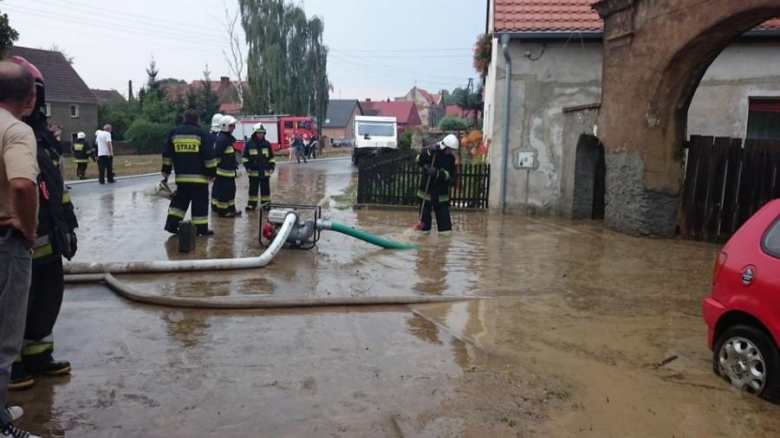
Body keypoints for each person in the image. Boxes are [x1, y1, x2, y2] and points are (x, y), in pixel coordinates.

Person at [8, 56, 79, 395]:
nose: (31, 101)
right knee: (13, 300)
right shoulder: (15, 136)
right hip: (18, 235)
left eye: (34, 92)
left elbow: (58, 188)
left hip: (48, 233)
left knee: (47, 295)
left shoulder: (43, 139)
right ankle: (11, 364)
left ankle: (38, 355)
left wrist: (69, 225)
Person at [0, 60, 42, 438]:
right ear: (30, 98)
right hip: (4, 245)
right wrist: (26, 228)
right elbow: (22, 186)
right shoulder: (16, 131)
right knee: (3, 341)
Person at [162, 110, 217, 236]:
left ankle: (172, 224)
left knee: (180, 201)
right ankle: (200, 228)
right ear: (197, 120)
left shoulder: (174, 133)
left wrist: (166, 171)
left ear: (184, 119)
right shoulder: (202, 134)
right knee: (200, 203)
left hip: (181, 179)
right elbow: (209, 156)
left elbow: (167, 155)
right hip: (199, 179)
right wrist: (212, 173)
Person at [416, 134, 458, 235]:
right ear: (444, 146)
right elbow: (418, 160)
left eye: (452, 149)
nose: (450, 151)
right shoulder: (432, 153)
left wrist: (437, 173)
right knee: (424, 226)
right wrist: (429, 152)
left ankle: (444, 247)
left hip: (441, 194)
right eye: (449, 149)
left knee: (445, 228)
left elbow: (449, 174)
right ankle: (423, 244)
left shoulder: (450, 158)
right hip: (426, 192)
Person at [211, 115, 242, 218]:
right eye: (232, 126)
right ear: (225, 126)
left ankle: (231, 208)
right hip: (223, 173)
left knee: (231, 191)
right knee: (223, 193)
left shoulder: (227, 138)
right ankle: (223, 211)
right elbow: (217, 156)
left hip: (229, 172)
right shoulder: (222, 140)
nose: (233, 128)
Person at [242, 123, 275, 211]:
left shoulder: (267, 144)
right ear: (254, 133)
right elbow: (244, 158)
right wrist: (247, 166)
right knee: (253, 190)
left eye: (262, 133)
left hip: (265, 172)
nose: (261, 134)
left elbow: (271, 157)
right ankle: (251, 205)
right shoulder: (249, 144)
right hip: (253, 172)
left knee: (266, 191)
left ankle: (266, 205)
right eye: (259, 133)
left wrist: (272, 167)